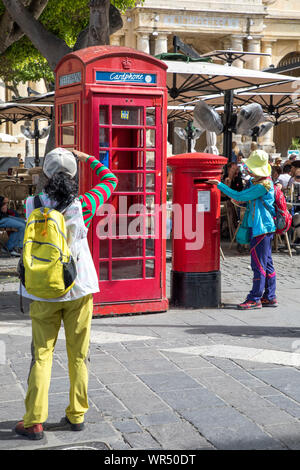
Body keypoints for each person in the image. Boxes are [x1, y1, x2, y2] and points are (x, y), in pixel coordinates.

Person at [14, 148, 118, 440]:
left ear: (46, 174)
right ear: (74, 175)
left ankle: (34, 421)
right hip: (79, 286)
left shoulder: (31, 203)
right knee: (78, 355)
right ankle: (76, 415)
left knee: (41, 356)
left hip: (42, 289)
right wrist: (89, 159)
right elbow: (111, 180)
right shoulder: (84, 203)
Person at [207, 149, 277, 310]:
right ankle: (270, 296)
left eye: (252, 168)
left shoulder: (263, 185)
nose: (249, 170)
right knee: (267, 263)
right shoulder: (258, 182)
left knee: (258, 264)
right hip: (264, 227)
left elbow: (240, 197)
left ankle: (255, 298)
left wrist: (220, 185)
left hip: (261, 228)